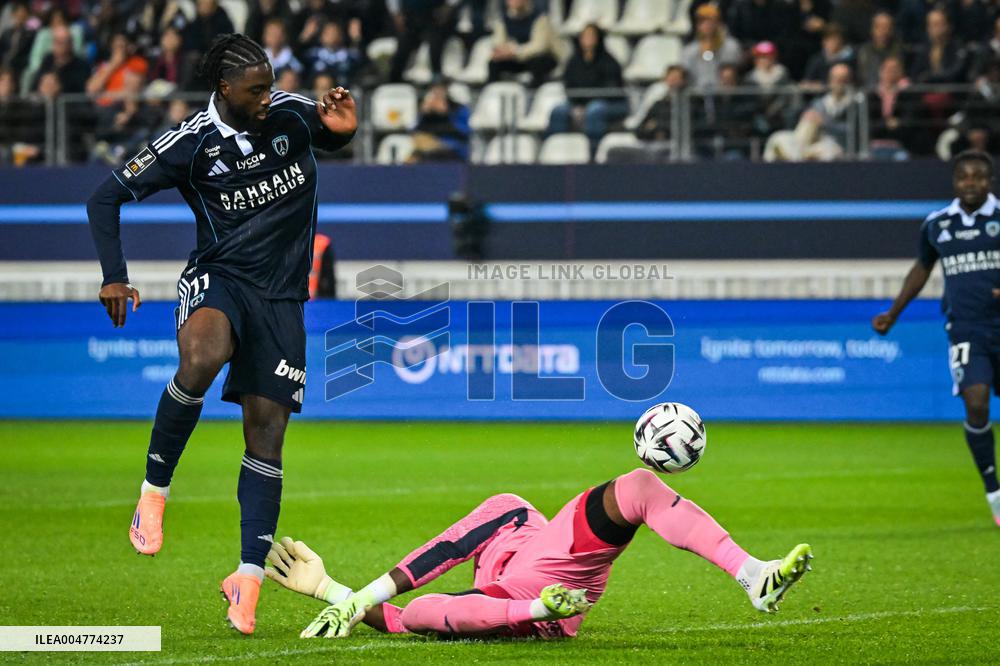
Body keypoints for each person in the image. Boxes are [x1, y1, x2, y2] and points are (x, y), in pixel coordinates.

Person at [86, 33, 357, 635]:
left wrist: (342, 128)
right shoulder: (187, 144)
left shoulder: (287, 114)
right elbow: (105, 198)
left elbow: (332, 134)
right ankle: (154, 493)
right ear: (223, 89)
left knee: (267, 438)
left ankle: (248, 577)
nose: (267, 97)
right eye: (255, 89)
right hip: (221, 277)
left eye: (269, 84)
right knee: (203, 358)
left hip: (284, 300)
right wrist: (114, 277)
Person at [265, 467, 813, 639]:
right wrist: (329, 590)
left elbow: (438, 553)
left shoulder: (515, 512)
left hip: (554, 570)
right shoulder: (491, 582)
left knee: (640, 487)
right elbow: (403, 605)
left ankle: (752, 573)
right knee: (423, 614)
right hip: (528, 608)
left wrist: (349, 596)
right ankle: (541, 610)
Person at [872, 150, 1000, 526]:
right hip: (966, 328)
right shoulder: (938, 224)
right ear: (955, 182)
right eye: (964, 178)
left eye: (978, 177)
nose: (970, 184)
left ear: (989, 181)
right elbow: (922, 268)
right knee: (976, 403)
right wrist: (893, 314)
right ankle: (994, 490)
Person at [546, 23, 627, 155]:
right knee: (558, 111)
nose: (587, 39)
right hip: (578, 104)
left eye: (591, 36)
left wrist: (586, 104)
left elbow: (612, 90)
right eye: (585, 36)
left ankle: (592, 154)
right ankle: (557, 154)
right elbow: (569, 87)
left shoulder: (609, 61)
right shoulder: (573, 62)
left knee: (595, 110)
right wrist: (578, 105)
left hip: (611, 104)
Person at [488, 0, 561, 88]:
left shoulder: (540, 17)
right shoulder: (503, 20)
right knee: (494, 63)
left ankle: (535, 93)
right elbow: (498, 42)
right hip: (516, 59)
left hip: (540, 58)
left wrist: (515, 50)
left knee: (537, 62)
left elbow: (539, 46)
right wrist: (503, 51)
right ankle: (492, 92)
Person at [682, 3, 743, 89]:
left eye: (711, 21)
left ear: (719, 23)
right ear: (697, 26)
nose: (707, 25)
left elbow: (737, 69)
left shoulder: (732, 46)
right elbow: (686, 73)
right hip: (696, 95)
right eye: (702, 22)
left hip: (725, 94)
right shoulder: (690, 50)